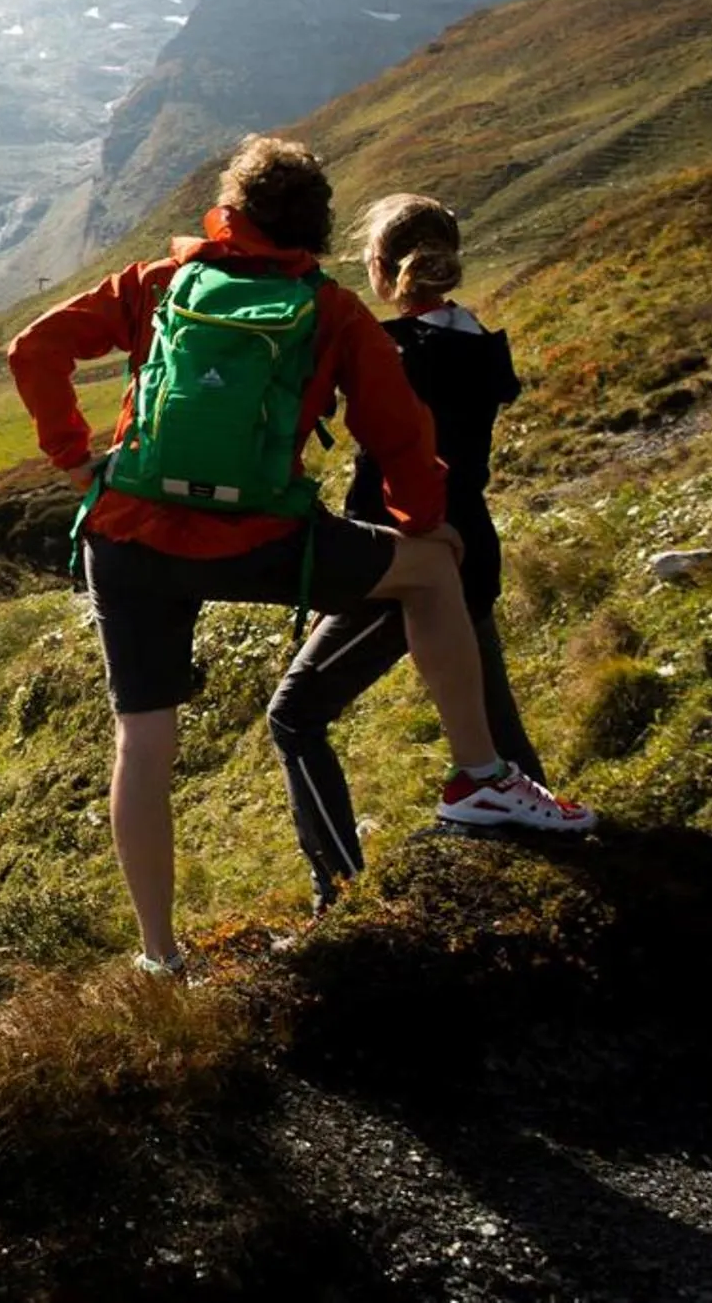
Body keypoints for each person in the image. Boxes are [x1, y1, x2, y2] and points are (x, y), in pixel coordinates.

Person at [8, 137, 592, 976]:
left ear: (230, 212)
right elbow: (398, 436)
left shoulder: (159, 281)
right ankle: (479, 778)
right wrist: (424, 522)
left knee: (143, 737)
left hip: (127, 536)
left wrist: (73, 460)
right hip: (258, 538)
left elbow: (31, 349)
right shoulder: (332, 311)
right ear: (315, 226)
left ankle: (160, 958)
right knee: (432, 572)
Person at [267, 194, 562, 910]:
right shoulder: (479, 341)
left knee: (295, 715)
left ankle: (338, 895)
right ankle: (550, 856)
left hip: (402, 558)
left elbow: (379, 469)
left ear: (379, 266)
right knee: (491, 728)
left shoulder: (388, 349)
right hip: (472, 551)